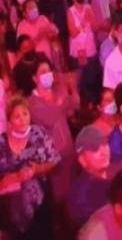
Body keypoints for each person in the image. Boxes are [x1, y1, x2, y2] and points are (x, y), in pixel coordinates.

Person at [0, 96, 60, 238]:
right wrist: (13, 177)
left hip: (40, 202)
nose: (22, 119)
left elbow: (54, 160)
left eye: (25, 114)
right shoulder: (1, 142)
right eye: (17, 117)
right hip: (10, 206)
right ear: (9, 121)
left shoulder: (39, 133)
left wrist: (36, 169)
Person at [27, 57, 78, 203]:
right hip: (53, 159)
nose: (48, 74)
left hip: (69, 151)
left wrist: (72, 87)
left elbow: (73, 108)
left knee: (73, 191)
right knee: (60, 196)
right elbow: (50, 119)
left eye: (49, 71)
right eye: (43, 72)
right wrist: (61, 99)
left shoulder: (57, 92)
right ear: (34, 78)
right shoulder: (32, 103)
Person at [67, 125, 112, 229]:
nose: (104, 152)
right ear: (82, 160)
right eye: (95, 149)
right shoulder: (80, 195)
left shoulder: (114, 176)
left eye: (104, 144)